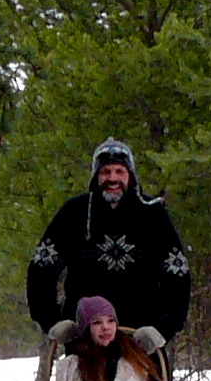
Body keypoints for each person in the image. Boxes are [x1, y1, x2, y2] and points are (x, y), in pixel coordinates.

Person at [26, 138, 191, 358]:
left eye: (119, 171)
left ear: (130, 175)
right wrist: (53, 321)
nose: (112, 178)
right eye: (105, 172)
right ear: (96, 175)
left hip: (140, 339)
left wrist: (163, 328)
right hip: (85, 339)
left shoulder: (152, 215)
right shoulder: (74, 212)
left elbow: (177, 274)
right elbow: (41, 268)